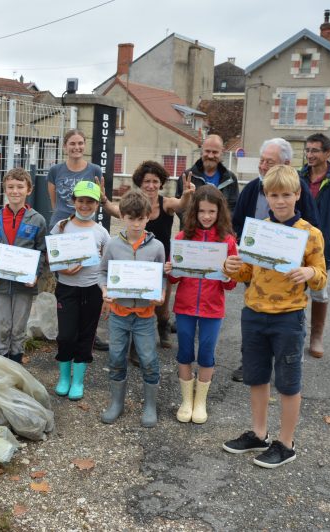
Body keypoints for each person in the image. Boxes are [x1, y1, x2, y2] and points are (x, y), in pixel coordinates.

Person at [222, 165, 326, 468]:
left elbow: (321, 277)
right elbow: (247, 272)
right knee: (256, 376)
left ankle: (286, 443)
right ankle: (259, 433)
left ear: (297, 195)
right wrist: (230, 267)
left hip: (288, 318)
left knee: (288, 382)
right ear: (266, 196)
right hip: (254, 314)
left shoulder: (310, 234)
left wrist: (309, 272)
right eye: (274, 195)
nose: (280, 201)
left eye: (286, 195)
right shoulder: (258, 230)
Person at [228, 138, 319, 383]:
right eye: (262, 160)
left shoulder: (297, 189)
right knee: (255, 316)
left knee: (287, 337)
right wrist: (242, 249)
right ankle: (249, 362)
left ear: (286, 164)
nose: (263, 165)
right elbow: (238, 221)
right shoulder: (252, 188)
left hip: (289, 275)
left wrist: (306, 265)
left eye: (269, 162)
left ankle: (288, 361)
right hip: (256, 264)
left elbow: (311, 224)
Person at [101, 161, 194, 348]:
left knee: (161, 305)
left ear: (161, 183)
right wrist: (103, 200)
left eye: (155, 181)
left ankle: (163, 326)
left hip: (160, 262)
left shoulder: (166, 203)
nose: (151, 185)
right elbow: (114, 209)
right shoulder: (132, 205)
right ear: (140, 183)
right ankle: (135, 341)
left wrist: (186, 195)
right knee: (136, 302)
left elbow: (181, 205)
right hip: (135, 263)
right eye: (146, 181)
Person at [165, 186, 237, 424]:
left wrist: (227, 274)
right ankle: (186, 400)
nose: (206, 216)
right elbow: (174, 279)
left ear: (220, 212)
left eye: (211, 212)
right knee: (184, 352)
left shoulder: (227, 241)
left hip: (212, 308)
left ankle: (200, 401)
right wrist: (171, 270)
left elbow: (231, 284)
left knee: (206, 353)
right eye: (202, 211)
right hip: (185, 306)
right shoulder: (181, 238)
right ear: (194, 212)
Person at [98, 190, 166, 428]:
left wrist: (161, 294)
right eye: (131, 218)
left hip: (145, 316)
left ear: (148, 217)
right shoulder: (113, 245)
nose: (136, 224)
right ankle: (117, 403)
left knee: (148, 359)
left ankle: (150, 406)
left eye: (141, 219)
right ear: (122, 217)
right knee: (116, 357)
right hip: (119, 314)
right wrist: (105, 289)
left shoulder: (157, 247)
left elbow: (161, 277)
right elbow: (102, 272)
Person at [47, 128, 109, 351]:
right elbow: (54, 201)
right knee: (66, 279)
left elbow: (100, 196)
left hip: (87, 228)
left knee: (89, 278)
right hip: (65, 228)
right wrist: (67, 223)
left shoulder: (94, 169)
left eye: (80, 143)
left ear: (85, 144)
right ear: (65, 146)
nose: (77, 147)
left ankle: (90, 332)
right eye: (72, 143)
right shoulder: (55, 170)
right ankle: (67, 327)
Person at [51, 181, 110, 401]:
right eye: (81, 200)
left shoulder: (101, 232)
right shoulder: (61, 226)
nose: (85, 205)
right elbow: (50, 256)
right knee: (66, 335)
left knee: (86, 335)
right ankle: (64, 377)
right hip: (67, 288)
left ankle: (77, 381)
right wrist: (62, 268)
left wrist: (106, 293)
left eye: (90, 202)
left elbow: (107, 265)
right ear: (73, 201)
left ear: (97, 204)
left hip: (92, 290)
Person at [0, 167, 47, 365]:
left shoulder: (38, 220)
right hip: (0, 284)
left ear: (29, 190)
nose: (15, 191)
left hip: (23, 286)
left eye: (20, 186)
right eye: (10, 187)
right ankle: (2, 365)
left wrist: (35, 275)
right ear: (5, 189)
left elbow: (41, 252)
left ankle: (16, 363)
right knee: (2, 327)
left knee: (18, 328)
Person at [298, 133, 330, 359]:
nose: (309, 155)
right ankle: (295, 334)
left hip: (321, 248)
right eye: (307, 150)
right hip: (296, 245)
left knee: (319, 290)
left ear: (328, 153)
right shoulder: (298, 177)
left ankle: (316, 336)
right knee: (295, 289)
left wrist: (325, 235)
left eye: (315, 150)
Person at [176, 134, 239, 212]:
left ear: (222, 152)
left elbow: (234, 208)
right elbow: (179, 206)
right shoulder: (187, 177)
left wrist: (221, 219)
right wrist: (193, 219)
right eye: (207, 151)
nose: (210, 156)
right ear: (202, 151)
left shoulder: (230, 179)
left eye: (215, 152)